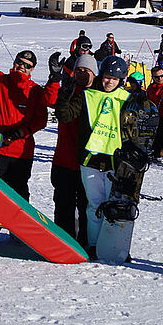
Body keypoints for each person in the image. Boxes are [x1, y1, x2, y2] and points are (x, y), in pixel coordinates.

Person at [56, 56, 133, 259]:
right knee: (94, 205)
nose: (109, 82)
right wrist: (63, 96)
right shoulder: (87, 96)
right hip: (91, 161)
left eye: (114, 79)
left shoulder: (129, 99)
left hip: (116, 162)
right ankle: (93, 245)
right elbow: (65, 116)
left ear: (121, 80)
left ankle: (115, 247)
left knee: (115, 207)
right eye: (107, 77)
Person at [0, 5, 49, 201]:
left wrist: (20, 133)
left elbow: (42, 120)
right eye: (20, 62)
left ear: (32, 70)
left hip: (21, 152)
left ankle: (18, 233)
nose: (22, 67)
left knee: (18, 197)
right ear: (14, 62)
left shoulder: (35, 91)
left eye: (27, 66)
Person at [48, 53, 98, 244]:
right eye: (79, 70)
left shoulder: (99, 95)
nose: (83, 73)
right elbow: (55, 106)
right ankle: (64, 240)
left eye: (87, 70)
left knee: (87, 206)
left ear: (95, 74)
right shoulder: (68, 90)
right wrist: (55, 79)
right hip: (64, 159)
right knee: (63, 205)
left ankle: (86, 240)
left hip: (88, 164)